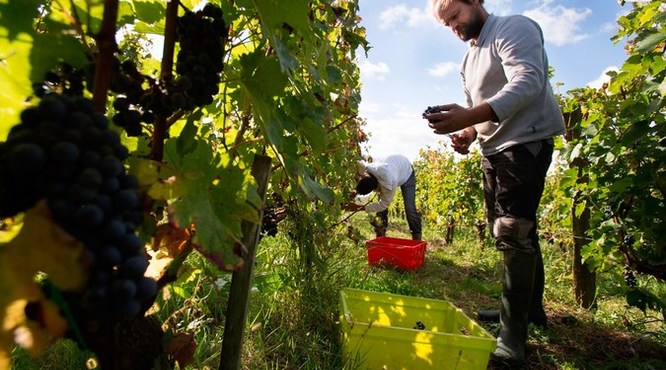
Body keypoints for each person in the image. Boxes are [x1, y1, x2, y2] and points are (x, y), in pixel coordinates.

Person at [424, 0, 565, 367]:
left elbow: (529, 80)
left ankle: (512, 334)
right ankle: (530, 311)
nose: (453, 26)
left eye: (454, 15)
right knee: (513, 230)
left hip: (525, 141)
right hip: (494, 149)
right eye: (446, 24)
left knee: (513, 230)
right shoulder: (468, 60)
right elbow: (477, 108)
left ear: (475, 1)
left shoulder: (514, 28)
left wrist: (469, 116)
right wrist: (466, 133)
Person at [343, 154, 422, 241]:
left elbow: (383, 205)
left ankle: (417, 241)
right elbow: (358, 162)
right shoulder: (367, 168)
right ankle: (380, 239)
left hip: (407, 173)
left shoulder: (389, 184)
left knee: (410, 209)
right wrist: (355, 192)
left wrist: (358, 208)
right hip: (393, 165)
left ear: (377, 187)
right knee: (381, 213)